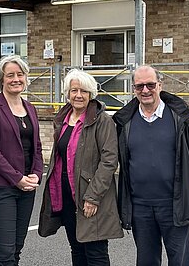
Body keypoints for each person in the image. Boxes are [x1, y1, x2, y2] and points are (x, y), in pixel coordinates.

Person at [112, 65, 189, 266]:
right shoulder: (125, 121)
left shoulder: (180, 117)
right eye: (139, 86)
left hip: (174, 204)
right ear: (133, 89)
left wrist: (183, 179)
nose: (145, 90)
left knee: (179, 261)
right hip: (140, 207)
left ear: (160, 85)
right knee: (146, 261)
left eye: (150, 85)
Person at [38, 69, 123, 265]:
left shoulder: (102, 121)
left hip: (91, 196)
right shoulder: (64, 119)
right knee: (76, 249)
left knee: (95, 253)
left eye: (83, 91)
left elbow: (109, 161)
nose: (78, 95)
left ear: (91, 94)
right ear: (67, 93)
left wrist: (93, 197)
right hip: (68, 196)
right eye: (74, 90)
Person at [0, 55, 43, 266]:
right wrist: (17, 178)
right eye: (10, 75)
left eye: (20, 74)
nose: (16, 79)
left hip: (26, 189)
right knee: (4, 252)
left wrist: (36, 174)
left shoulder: (30, 108)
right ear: (1, 79)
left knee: (16, 249)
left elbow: (37, 147)